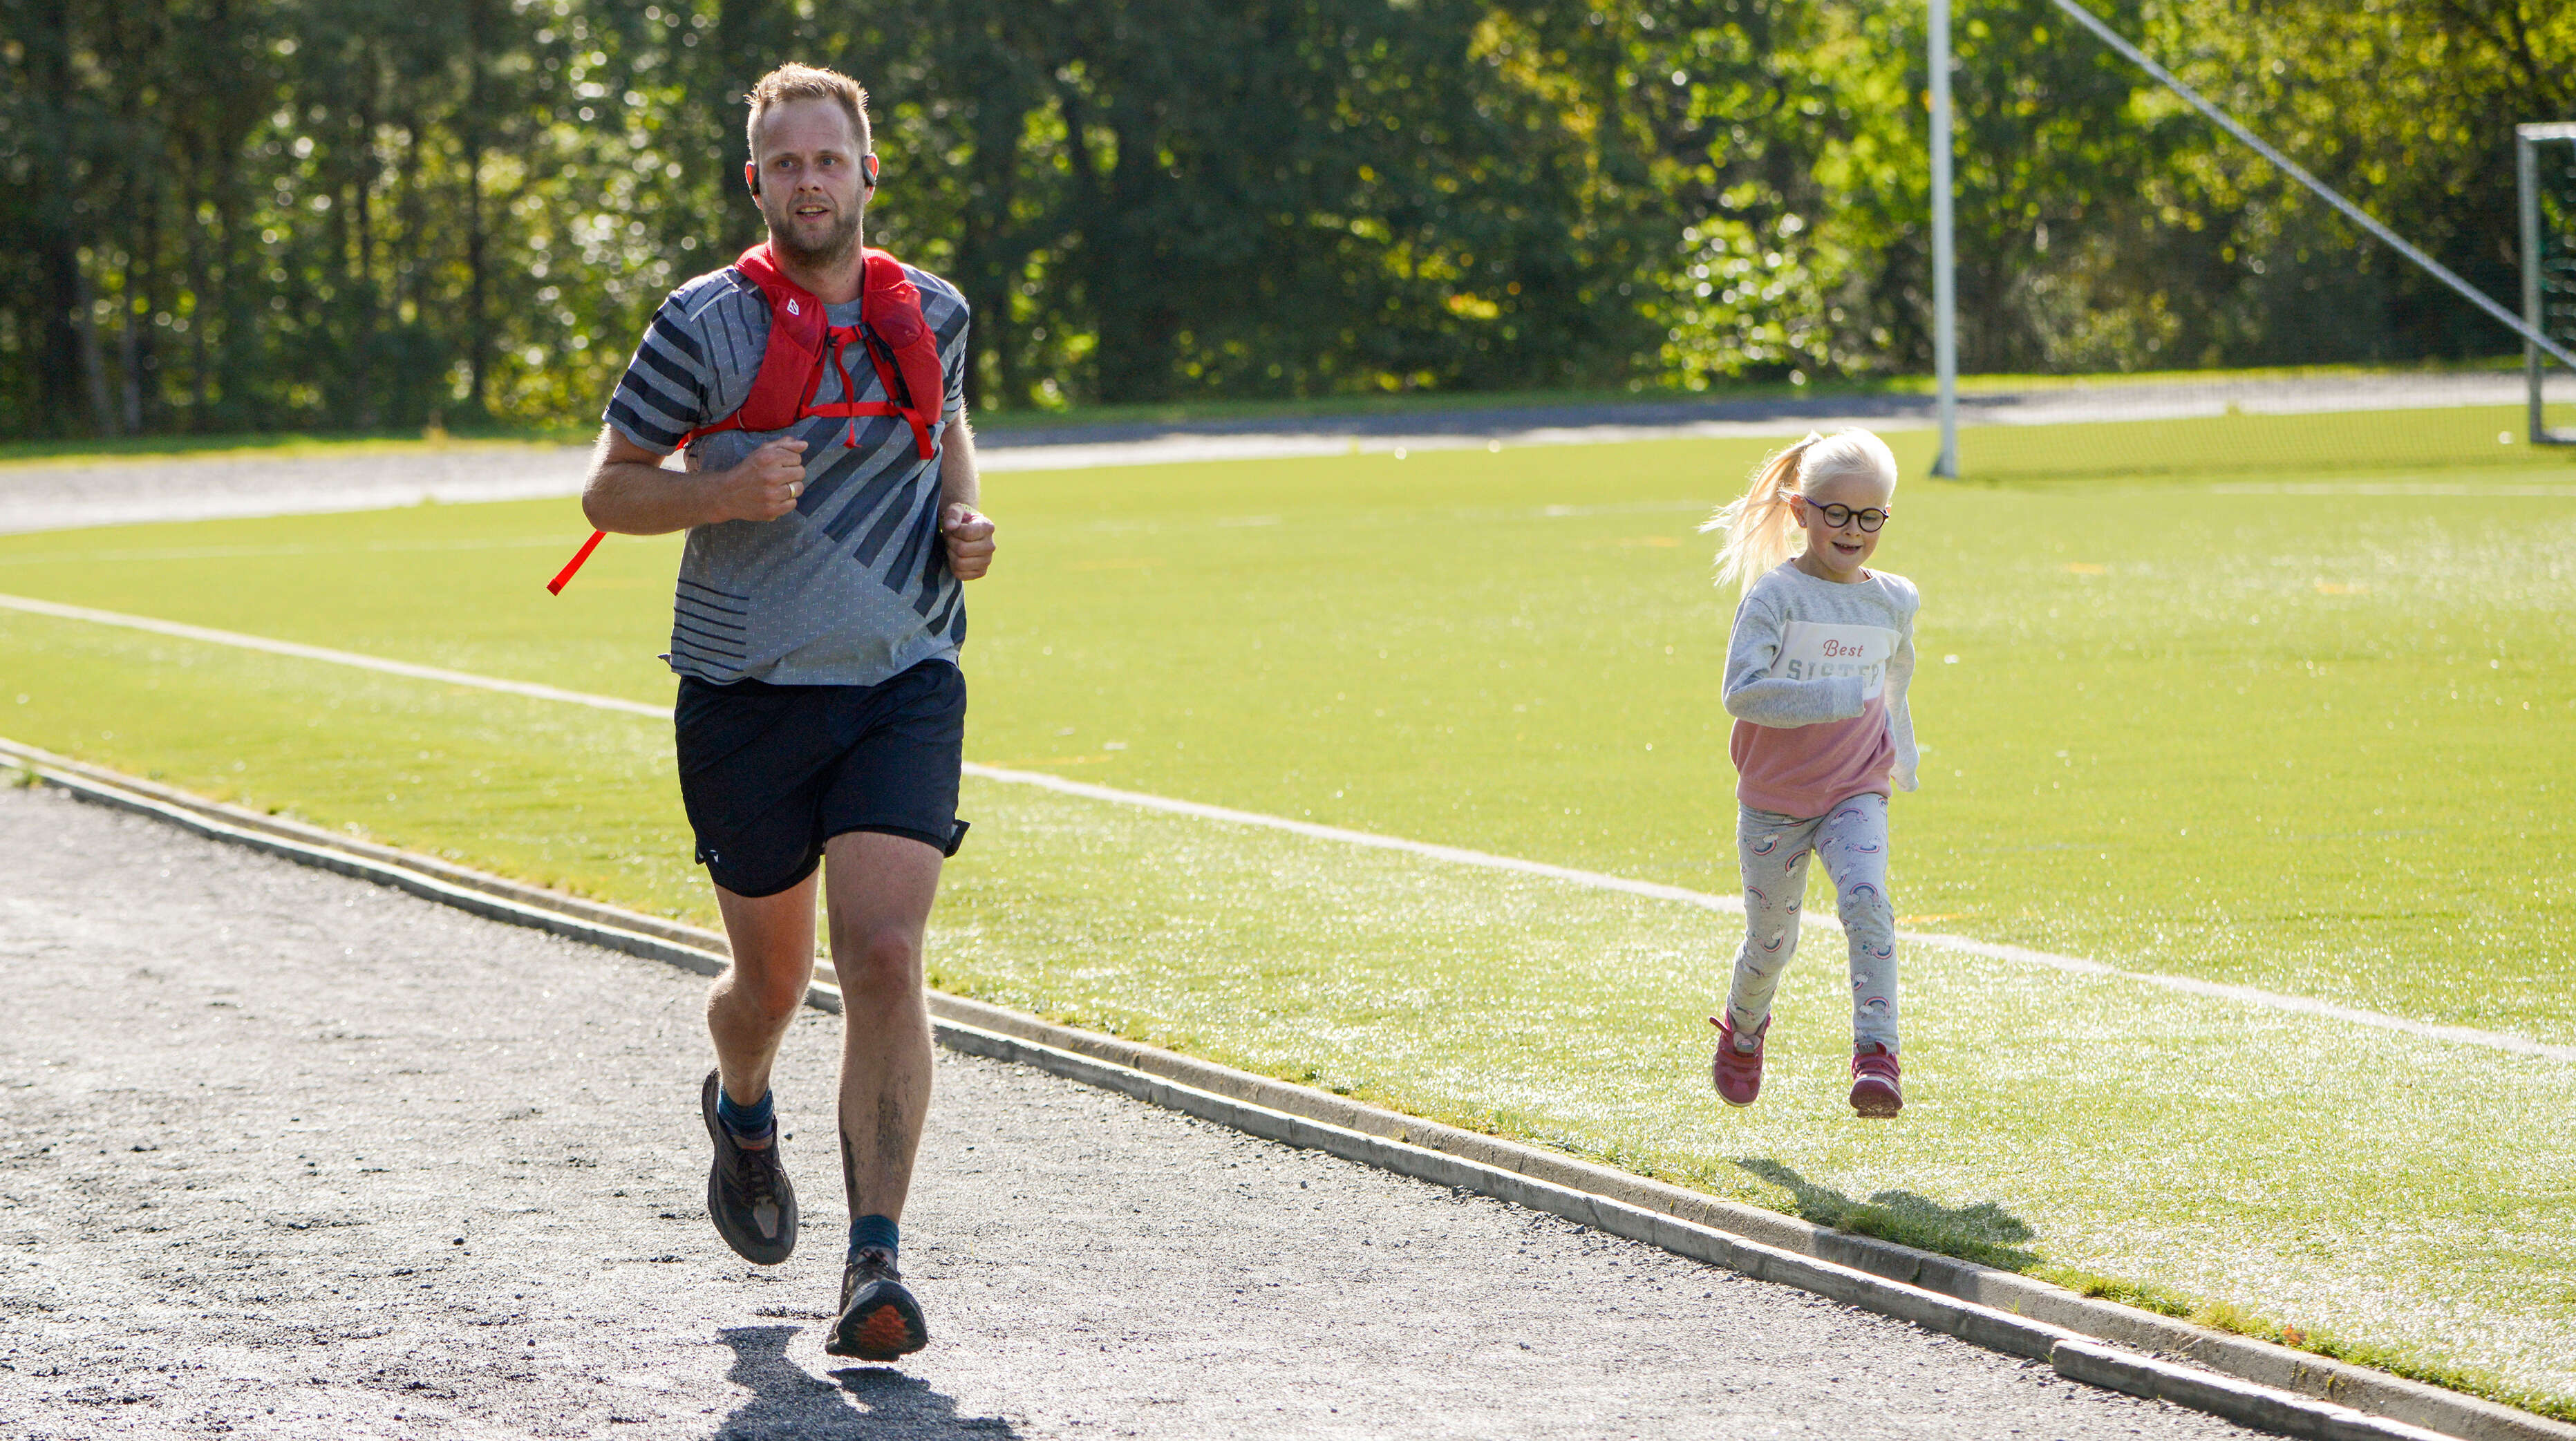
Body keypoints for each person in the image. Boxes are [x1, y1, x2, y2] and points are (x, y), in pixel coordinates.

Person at [579, 62, 996, 1361]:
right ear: (754, 181)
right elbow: (607, 491)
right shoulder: (703, 324)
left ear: (867, 172)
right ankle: (742, 1106)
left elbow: (948, 418)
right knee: (769, 985)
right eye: (785, 164)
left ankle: (875, 1262)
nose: (809, 182)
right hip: (747, 696)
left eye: (828, 159)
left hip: (903, 678)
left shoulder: (933, 308)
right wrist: (719, 493)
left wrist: (964, 515)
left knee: (885, 954)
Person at [1700, 429, 1917, 1118]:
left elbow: (1894, 679)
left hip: (1855, 788)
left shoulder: (1894, 600)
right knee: (1771, 943)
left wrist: (1902, 752)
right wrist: (1833, 695)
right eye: (1837, 513)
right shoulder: (1775, 598)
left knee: (1867, 901)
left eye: (1870, 516)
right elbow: (1741, 693)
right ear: (1800, 510)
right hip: (1775, 802)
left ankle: (1877, 1055)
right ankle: (1743, 1029)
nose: (1853, 530)